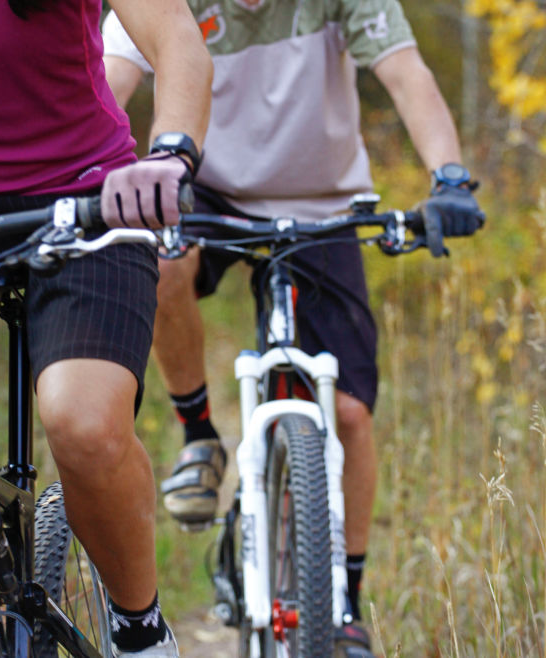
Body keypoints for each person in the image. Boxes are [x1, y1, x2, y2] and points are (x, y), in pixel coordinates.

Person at [102, 2, 484, 655]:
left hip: (323, 204)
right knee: (162, 264)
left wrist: (448, 176)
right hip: (210, 195)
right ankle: (199, 437)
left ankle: (346, 603)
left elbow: (406, 73)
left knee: (352, 414)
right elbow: (107, 82)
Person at [0, 1, 212, 656]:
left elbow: (177, 39)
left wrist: (171, 155)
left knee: (85, 424)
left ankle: (140, 632)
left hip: (84, 198)